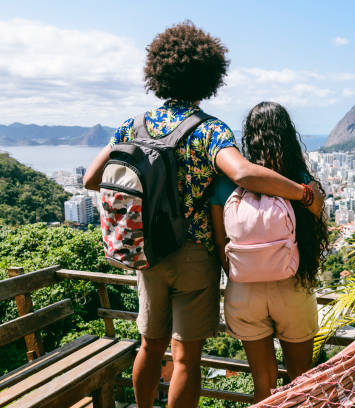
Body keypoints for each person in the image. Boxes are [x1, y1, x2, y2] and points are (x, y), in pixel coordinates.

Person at [83, 23, 322, 408]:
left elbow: (94, 179)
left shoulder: (132, 125)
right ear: (209, 78)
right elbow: (242, 173)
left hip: (145, 251)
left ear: (157, 74)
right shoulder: (209, 130)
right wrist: (303, 192)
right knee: (184, 358)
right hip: (193, 254)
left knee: (149, 344)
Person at [210, 101, 328, 402]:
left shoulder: (225, 183)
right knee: (301, 378)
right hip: (292, 286)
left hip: (243, 290)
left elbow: (220, 243)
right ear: (288, 134)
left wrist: (240, 274)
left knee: (264, 382)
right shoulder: (301, 183)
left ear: (249, 136)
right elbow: (316, 220)